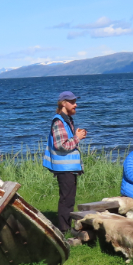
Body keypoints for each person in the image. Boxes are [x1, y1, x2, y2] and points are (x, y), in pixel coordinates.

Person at [42, 91, 87, 234]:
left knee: (69, 198)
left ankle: (66, 226)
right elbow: (61, 145)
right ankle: (64, 229)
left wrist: (76, 136)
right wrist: (77, 138)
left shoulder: (66, 120)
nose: (76, 104)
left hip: (68, 167)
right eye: (72, 102)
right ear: (63, 103)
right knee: (66, 199)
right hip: (64, 167)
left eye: (75, 101)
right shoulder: (59, 121)